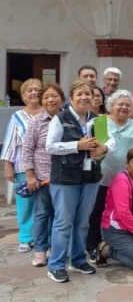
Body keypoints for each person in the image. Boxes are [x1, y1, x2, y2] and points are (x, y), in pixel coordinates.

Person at [45, 79, 115, 283]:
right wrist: (78, 145)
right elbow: (50, 146)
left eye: (88, 94)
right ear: (71, 98)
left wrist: (105, 148)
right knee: (63, 222)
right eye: (80, 94)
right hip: (65, 178)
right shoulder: (61, 118)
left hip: (91, 176)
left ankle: (77, 259)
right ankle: (56, 265)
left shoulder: (97, 119)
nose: (84, 97)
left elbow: (111, 140)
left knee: (83, 222)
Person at [86, 90, 133, 263]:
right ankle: (93, 246)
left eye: (128, 105)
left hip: (125, 182)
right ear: (111, 105)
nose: (124, 107)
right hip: (101, 178)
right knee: (97, 213)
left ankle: (118, 243)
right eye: (120, 104)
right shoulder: (99, 122)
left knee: (121, 214)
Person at [21, 83, 64, 267]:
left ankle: (56, 247)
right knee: (41, 214)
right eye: (46, 97)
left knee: (60, 216)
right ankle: (40, 250)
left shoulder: (67, 118)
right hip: (42, 177)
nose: (50, 100)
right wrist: (30, 176)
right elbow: (27, 149)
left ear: (62, 98)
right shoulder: (36, 121)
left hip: (64, 177)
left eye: (54, 96)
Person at [1, 78, 42, 253]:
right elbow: (10, 142)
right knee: (25, 203)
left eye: (37, 90)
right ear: (24, 96)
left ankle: (42, 236)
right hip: (22, 168)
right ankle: (26, 237)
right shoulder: (17, 116)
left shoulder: (49, 113)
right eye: (30, 90)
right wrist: (7, 165)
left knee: (44, 204)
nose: (34, 93)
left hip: (45, 167)